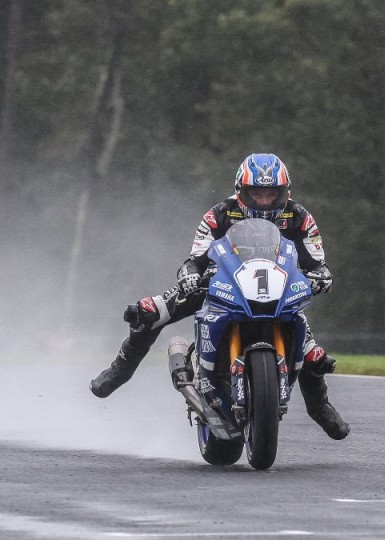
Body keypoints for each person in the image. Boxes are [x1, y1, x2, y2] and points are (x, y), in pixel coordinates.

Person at [89, 153, 349, 440]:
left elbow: (316, 262)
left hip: (278, 288)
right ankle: (119, 372)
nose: (264, 201)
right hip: (222, 283)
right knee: (149, 311)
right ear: (241, 192)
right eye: (257, 193)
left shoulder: (300, 217)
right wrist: (189, 275)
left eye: (271, 193)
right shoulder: (220, 213)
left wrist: (322, 277)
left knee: (314, 355)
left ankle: (320, 408)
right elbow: (196, 257)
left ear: (285, 192)